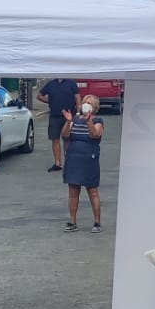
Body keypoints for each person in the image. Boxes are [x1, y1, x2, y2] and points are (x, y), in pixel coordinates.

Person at [62, 95, 107, 232]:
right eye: (85, 102)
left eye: (89, 103)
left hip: (89, 158)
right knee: (73, 192)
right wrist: (68, 121)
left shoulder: (97, 120)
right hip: (73, 158)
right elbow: (65, 135)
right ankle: (72, 221)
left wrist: (88, 121)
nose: (86, 105)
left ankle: (97, 222)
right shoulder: (74, 119)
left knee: (92, 191)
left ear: (95, 107)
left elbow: (95, 135)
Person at [38, 77, 78, 172]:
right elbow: (39, 95)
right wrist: (49, 100)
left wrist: (78, 112)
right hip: (54, 116)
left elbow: (77, 97)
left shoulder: (71, 83)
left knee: (67, 139)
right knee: (54, 139)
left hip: (68, 116)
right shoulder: (51, 84)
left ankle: (69, 163)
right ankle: (57, 163)